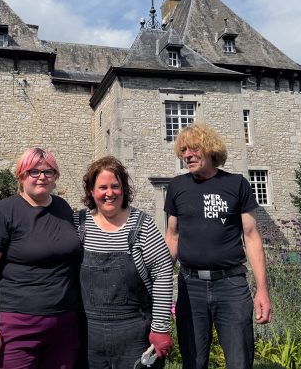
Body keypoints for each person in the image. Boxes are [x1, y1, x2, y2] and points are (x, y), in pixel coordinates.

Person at [164, 122, 272, 369]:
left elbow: (252, 236)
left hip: (231, 286)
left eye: (194, 149)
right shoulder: (177, 187)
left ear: (211, 149)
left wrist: (262, 290)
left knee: (239, 361)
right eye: (183, 151)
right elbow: (172, 236)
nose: (187, 155)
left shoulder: (237, 184)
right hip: (190, 287)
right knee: (194, 361)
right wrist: (160, 284)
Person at [0, 147, 81, 369]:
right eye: (34, 171)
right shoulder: (2, 213)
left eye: (48, 172)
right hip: (16, 325)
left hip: (63, 325)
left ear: (56, 176)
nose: (42, 177)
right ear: (21, 176)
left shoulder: (63, 208)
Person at [75, 156, 174, 369]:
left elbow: (163, 273)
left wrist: (160, 328)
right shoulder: (78, 224)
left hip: (135, 332)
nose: (109, 193)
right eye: (102, 187)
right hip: (87, 332)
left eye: (115, 186)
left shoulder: (142, 226)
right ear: (91, 191)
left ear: (124, 189)